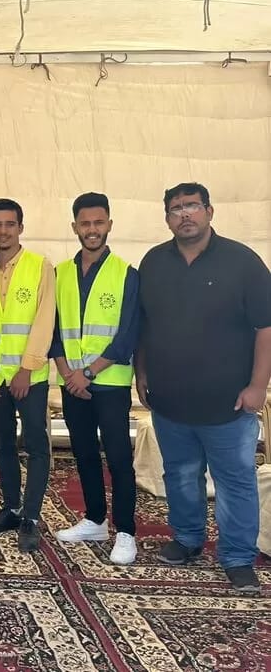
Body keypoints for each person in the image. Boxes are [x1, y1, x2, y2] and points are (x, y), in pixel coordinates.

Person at [137, 182, 270, 593]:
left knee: (235, 482)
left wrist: (258, 386)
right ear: (167, 219)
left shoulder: (243, 262)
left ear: (209, 211)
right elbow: (143, 324)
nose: (184, 214)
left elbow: (266, 328)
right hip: (170, 400)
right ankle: (188, 538)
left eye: (192, 206)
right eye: (175, 209)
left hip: (229, 403)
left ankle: (238, 557)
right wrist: (142, 373)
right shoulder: (154, 263)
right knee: (180, 474)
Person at [50, 192, 139, 565]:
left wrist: (88, 373)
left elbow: (127, 335)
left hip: (110, 383)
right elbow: (52, 329)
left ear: (109, 225)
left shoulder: (127, 273)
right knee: (84, 453)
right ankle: (95, 520)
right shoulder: (59, 274)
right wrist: (67, 374)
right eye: (85, 223)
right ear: (75, 227)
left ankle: (126, 531)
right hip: (72, 383)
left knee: (118, 456)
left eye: (98, 222)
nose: (92, 229)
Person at [0, 198, 54, 552]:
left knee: (36, 446)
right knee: (3, 444)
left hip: (28, 379)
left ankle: (31, 518)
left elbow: (45, 320)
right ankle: (11, 509)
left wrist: (26, 368)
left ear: (21, 227)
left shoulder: (40, 266)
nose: (3, 231)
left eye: (10, 224)